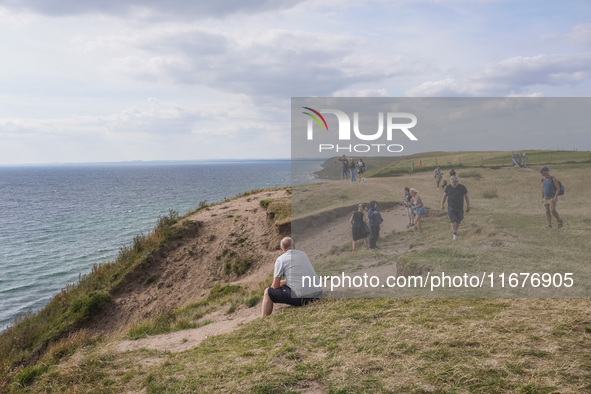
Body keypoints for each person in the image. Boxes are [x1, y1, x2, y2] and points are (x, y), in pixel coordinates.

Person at [262, 237, 322, 317]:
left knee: (267, 292)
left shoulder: (281, 260)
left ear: (281, 249)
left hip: (303, 299)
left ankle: (263, 319)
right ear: (294, 246)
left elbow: (275, 286)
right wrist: (285, 282)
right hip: (318, 294)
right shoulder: (303, 254)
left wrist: (281, 283)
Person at [441, 175, 470, 241]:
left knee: (458, 219)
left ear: (457, 181)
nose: (454, 183)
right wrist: (442, 204)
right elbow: (444, 196)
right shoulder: (448, 188)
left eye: (455, 182)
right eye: (453, 182)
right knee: (453, 220)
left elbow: (466, 197)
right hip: (451, 206)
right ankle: (454, 234)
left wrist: (468, 205)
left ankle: (455, 232)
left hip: (460, 207)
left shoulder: (462, 187)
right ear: (451, 182)